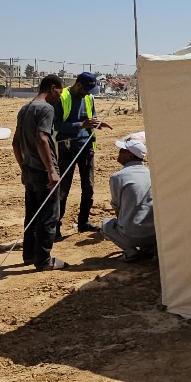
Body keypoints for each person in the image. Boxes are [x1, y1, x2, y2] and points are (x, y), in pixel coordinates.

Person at [11, 75, 68, 271]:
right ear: (52, 88)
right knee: (49, 215)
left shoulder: (25, 108)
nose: (60, 97)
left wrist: (23, 167)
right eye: (60, 92)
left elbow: (15, 141)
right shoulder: (46, 109)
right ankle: (43, 259)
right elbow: (42, 138)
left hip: (30, 170)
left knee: (32, 214)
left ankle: (29, 255)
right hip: (43, 171)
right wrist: (51, 170)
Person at [55, 72, 109, 235]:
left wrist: (96, 123)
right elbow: (57, 125)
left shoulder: (89, 98)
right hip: (66, 148)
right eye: (86, 90)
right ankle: (56, 226)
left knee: (89, 187)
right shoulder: (62, 97)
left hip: (86, 147)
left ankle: (83, 222)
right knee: (63, 188)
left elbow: (91, 118)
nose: (88, 94)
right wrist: (81, 124)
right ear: (77, 84)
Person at [100, 131, 155, 261]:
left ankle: (131, 252)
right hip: (155, 234)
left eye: (122, 151)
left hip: (132, 235)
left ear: (130, 155)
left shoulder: (118, 177)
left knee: (106, 224)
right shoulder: (151, 173)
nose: (119, 153)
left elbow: (117, 208)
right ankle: (150, 249)